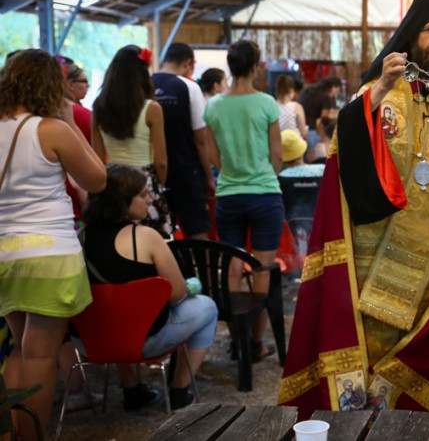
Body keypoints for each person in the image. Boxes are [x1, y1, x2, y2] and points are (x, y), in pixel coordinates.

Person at [279, 0, 429, 441]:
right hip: (367, 256)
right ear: (412, 36)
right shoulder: (378, 89)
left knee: (415, 347)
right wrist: (378, 91)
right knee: (363, 351)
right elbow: (343, 154)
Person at [0, 49, 106, 441]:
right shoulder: (52, 130)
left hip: (5, 254)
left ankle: (9, 434)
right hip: (49, 254)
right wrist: (68, 120)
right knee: (42, 354)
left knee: (20, 349)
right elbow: (96, 179)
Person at [82, 164, 218, 410]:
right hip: (146, 340)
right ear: (123, 201)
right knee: (207, 307)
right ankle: (179, 390)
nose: (150, 199)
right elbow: (177, 294)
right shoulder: (145, 237)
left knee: (114, 312)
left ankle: (132, 390)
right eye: (143, 194)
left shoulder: (80, 238)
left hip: (91, 341)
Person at [203, 39, 282, 362]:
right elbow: (277, 155)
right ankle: (256, 343)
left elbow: (213, 156)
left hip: (228, 196)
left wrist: (233, 174)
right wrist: (263, 174)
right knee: (262, 267)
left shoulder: (213, 106)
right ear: (255, 67)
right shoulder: (266, 103)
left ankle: (237, 341)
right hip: (265, 195)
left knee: (232, 267)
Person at [92, 45, 172, 238]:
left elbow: (97, 158)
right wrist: (158, 186)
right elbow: (161, 161)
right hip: (145, 182)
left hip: (113, 182)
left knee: (116, 238)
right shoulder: (152, 108)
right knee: (152, 240)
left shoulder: (99, 107)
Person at [152, 43, 216, 240]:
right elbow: (201, 139)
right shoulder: (189, 87)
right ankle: (200, 262)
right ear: (188, 63)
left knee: (160, 234)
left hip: (153, 174)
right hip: (187, 172)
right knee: (197, 232)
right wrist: (209, 176)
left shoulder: (145, 84)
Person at [298, 76, 342, 156]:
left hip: (299, 129)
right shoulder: (325, 98)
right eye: (336, 91)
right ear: (333, 87)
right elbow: (323, 119)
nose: (334, 95)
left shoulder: (309, 90)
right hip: (312, 131)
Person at [275, 75, 308, 139]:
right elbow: (303, 133)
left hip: (278, 142)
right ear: (291, 90)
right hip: (294, 143)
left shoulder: (272, 106)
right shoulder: (297, 107)